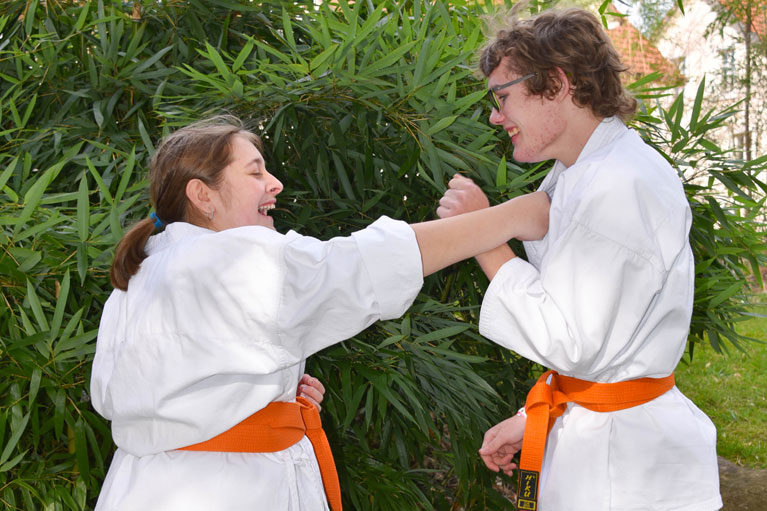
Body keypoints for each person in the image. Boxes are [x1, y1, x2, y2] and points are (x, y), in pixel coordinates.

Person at [90, 115, 549, 511]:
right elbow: (356, 269)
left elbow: (167, 389)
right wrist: (512, 217)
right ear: (202, 195)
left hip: (150, 484)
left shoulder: (145, 274)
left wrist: (270, 393)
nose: (275, 183)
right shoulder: (225, 261)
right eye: (255, 172)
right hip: (220, 489)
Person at [436, 7, 722, 511]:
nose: (495, 116)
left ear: (557, 83)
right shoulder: (585, 171)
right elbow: (604, 342)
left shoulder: (617, 185)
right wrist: (536, 419)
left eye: (503, 97)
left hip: (625, 474)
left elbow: (569, 338)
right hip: (603, 437)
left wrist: (483, 237)